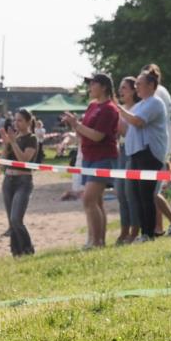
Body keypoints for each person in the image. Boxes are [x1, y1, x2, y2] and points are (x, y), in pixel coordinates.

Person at [63, 73, 119, 249]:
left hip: (103, 157)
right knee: (97, 201)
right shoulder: (93, 106)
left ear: (103, 87)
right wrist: (74, 127)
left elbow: (97, 136)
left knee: (88, 199)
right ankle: (97, 241)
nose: (89, 87)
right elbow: (85, 132)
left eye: (93, 84)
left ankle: (96, 242)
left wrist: (76, 125)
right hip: (89, 157)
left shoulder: (109, 108)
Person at [118, 71, 170, 243]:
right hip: (136, 154)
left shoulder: (155, 102)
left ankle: (148, 233)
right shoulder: (140, 105)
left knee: (145, 195)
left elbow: (138, 122)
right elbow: (127, 127)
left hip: (149, 154)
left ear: (150, 85)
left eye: (139, 84)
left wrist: (117, 108)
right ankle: (145, 233)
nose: (136, 87)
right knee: (137, 195)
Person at [141, 64, 171, 237]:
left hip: (156, 147)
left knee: (152, 191)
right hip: (164, 145)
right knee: (154, 191)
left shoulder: (156, 95)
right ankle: (159, 226)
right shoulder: (163, 92)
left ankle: (170, 225)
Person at [0, 109, 39, 256]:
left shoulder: (31, 138)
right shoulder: (13, 138)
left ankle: (28, 249)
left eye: (20, 120)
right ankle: (16, 252)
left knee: (16, 219)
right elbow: (3, 161)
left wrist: (14, 142)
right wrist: (6, 144)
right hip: (8, 180)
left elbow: (24, 160)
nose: (16, 123)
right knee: (11, 221)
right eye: (15, 120)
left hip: (23, 181)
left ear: (28, 122)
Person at [114, 77, 141, 245]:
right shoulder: (121, 109)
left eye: (124, 88)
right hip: (121, 151)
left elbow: (127, 132)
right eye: (120, 88)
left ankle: (134, 230)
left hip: (132, 151)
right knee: (120, 192)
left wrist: (116, 117)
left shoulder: (138, 109)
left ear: (133, 90)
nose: (121, 91)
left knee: (130, 193)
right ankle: (124, 229)